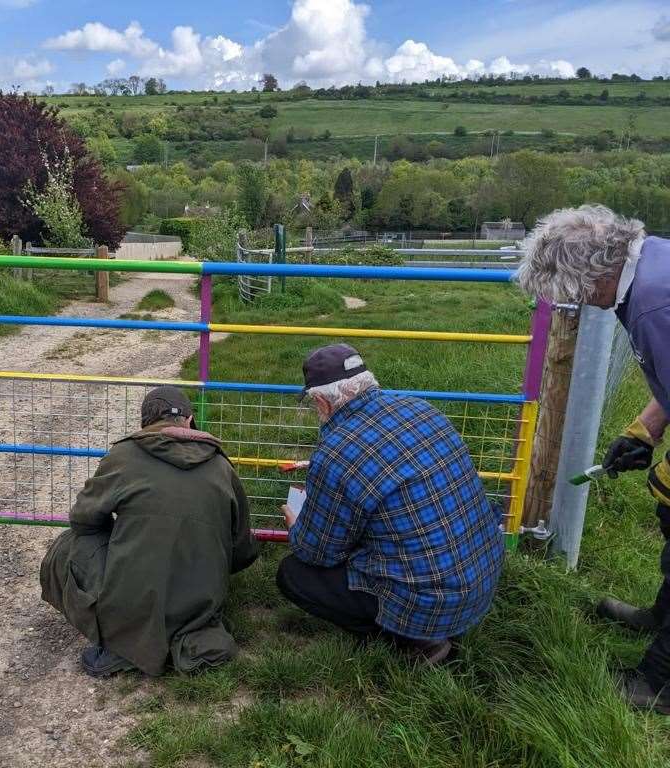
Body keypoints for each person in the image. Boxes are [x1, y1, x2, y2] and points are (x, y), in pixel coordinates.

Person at [517, 204, 670, 713]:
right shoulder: (651, 267)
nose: (573, 302)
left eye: (568, 290)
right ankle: (661, 616)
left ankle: (659, 682)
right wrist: (647, 428)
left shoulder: (652, 305)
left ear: (591, 274)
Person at [276, 343, 505, 664]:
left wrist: (297, 527)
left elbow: (318, 552)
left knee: (294, 574)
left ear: (321, 402)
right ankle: (428, 628)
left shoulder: (336, 451)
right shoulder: (424, 409)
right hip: (481, 577)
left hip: (430, 603)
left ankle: (415, 640)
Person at [40, 385, 259, 677]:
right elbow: (243, 551)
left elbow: (82, 520)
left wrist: (123, 529)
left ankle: (122, 644)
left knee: (67, 545)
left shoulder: (123, 455)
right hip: (201, 600)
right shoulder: (222, 465)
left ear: (145, 423)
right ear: (191, 420)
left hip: (135, 597)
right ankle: (187, 632)